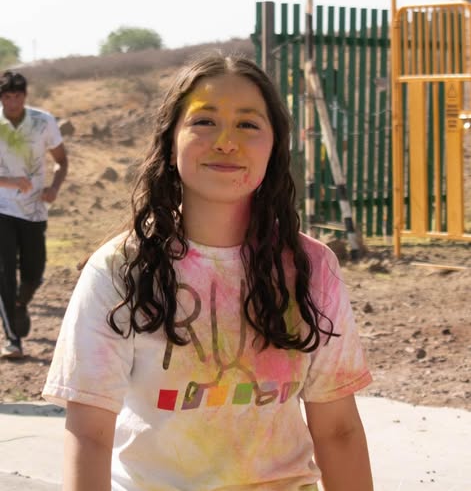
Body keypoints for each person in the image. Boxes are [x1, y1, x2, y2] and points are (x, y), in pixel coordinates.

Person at [43, 53, 373, 491]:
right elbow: (89, 434)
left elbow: (338, 430)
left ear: (274, 147)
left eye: (248, 124)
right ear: (170, 141)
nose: (226, 142)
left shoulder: (311, 268)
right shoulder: (119, 270)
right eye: (204, 121)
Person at [0, 70, 68, 359]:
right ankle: (13, 340)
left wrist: (54, 187)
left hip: (34, 210)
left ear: (25, 96)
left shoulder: (43, 122)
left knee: (35, 272)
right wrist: (9, 181)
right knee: (4, 273)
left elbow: (61, 161)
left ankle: (20, 304)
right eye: (6, 97)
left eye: (17, 96)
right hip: (2, 209)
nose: (12, 103)